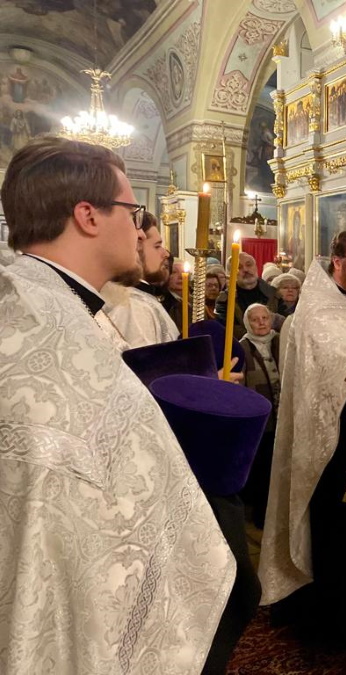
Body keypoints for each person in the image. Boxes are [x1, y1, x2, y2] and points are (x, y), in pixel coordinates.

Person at [0, 136, 235, 672]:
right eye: (132, 212)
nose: (138, 227)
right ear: (88, 216)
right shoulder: (51, 334)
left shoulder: (39, 308)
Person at [258, 229, 346, 647]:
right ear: (338, 263)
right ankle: (337, 623)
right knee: (339, 535)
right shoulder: (309, 319)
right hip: (331, 447)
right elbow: (320, 381)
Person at [103, 211, 181, 347]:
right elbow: (146, 359)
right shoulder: (133, 306)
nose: (166, 254)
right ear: (136, 247)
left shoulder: (138, 299)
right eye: (157, 246)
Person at [240, 303, 281, 529]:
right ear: (248, 323)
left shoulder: (280, 342)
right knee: (263, 468)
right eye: (255, 319)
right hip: (262, 421)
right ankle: (260, 515)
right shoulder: (242, 348)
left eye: (265, 318)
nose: (261, 323)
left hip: (282, 416)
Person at [215, 252, 280, 338]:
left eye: (249, 265)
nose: (245, 269)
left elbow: (285, 324)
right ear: (231, 273)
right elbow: (225, 329)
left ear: (256, 267)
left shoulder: (274, 294)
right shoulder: (225, 299)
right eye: (239, 267)